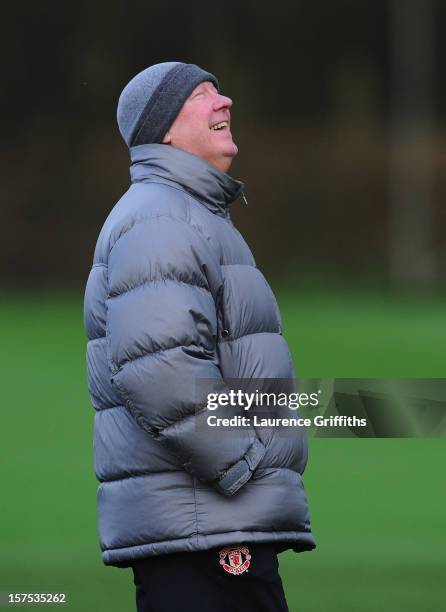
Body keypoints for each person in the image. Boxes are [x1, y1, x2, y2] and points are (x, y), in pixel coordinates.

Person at [83, 61, 316, 612]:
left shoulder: (188, 213)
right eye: (202, 94)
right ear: (163, 127)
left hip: (211, 526)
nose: (224, 101)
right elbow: (160, 372)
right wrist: (241, 465)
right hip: (208, 529)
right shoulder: (163, 219)